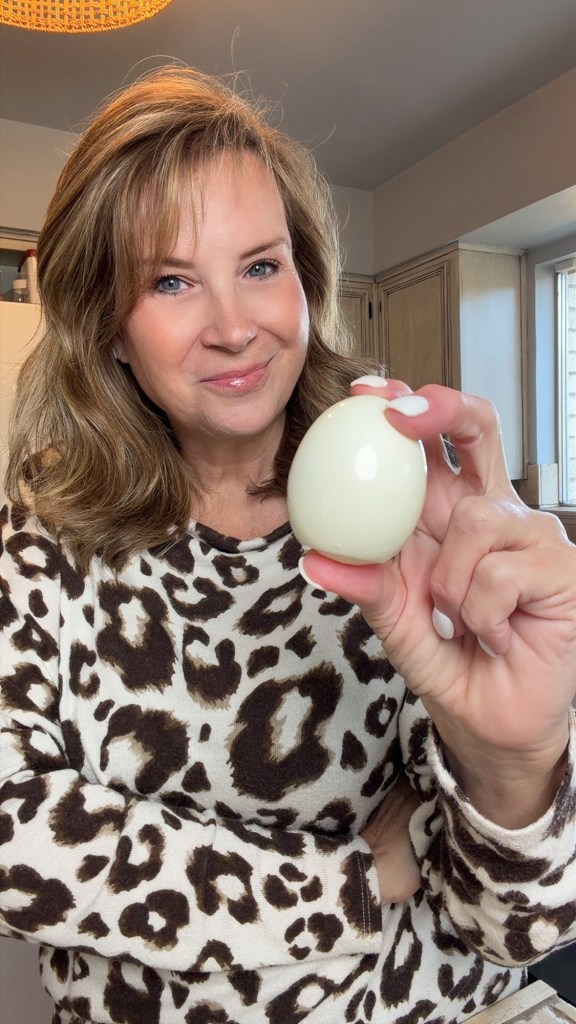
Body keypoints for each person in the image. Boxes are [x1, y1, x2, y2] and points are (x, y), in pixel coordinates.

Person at [0, 66, 574, 1024]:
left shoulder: (409, 504)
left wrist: (518, 763)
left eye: (262, 266)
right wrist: (352, 883)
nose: (234, 328)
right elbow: (15, 845)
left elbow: (514, 933)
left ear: (307, 281)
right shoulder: (49, 530)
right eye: (171, 281)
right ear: (110, 328)